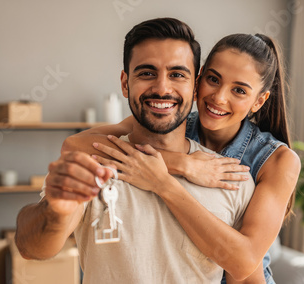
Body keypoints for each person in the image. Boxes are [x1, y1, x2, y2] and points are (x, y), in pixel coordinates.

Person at [15, 18, 259, 283]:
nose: (162, 88)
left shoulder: (231, 178)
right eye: (146, 73)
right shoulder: (92, 164)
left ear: (195, 85)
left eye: (177, 74)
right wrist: (56, 211)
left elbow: (243, 276)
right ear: (124, 82)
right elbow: (31, 248)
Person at [65, 33, 301, 283]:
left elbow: (244, 264)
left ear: (259, 101)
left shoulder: (277, 160)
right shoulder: (172, 122)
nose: (219, 97)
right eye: (213, 79)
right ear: (197, 80)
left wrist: (161, 180)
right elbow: (74, 144)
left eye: (239, 90)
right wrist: (181, 163)